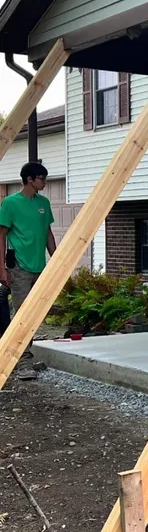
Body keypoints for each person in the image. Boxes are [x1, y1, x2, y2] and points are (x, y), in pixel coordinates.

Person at [0, 161, 56, 380]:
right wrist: (1, 269)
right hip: (19, 267)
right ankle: (23, 363)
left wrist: (56, 261)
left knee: (35, 315)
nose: (45, 181)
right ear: (30, 180)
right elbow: (1, 236)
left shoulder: (44, 203)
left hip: (39, 267)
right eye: (42, 178)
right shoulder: (10, 204)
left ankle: (22, 355)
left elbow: (48, 233)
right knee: (23, 315)